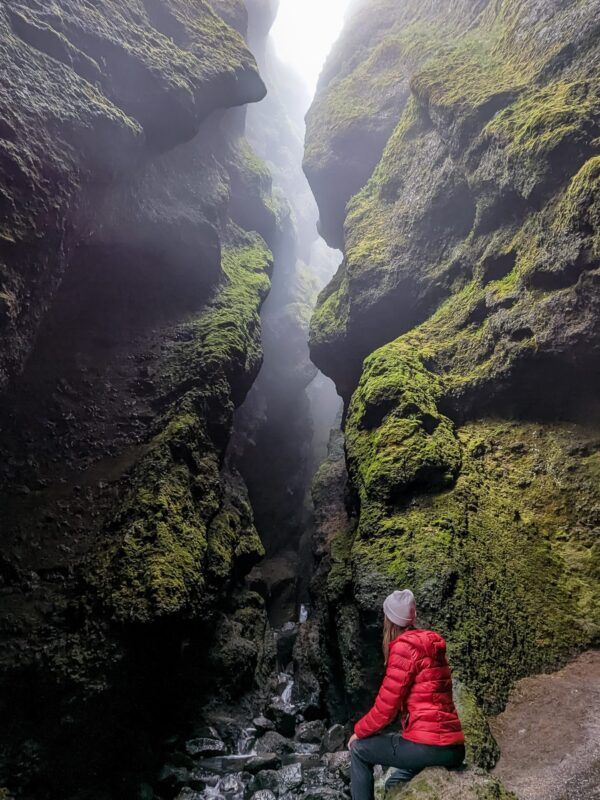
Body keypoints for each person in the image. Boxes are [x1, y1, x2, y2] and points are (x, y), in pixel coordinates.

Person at [347, 589, 465, 800]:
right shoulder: (431, 645)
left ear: (389, 620)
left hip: (428, 747)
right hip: (454, 748)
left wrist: (359, 732)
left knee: (359, 750)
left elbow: (386, 708)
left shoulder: (404, 648)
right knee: (394, 782)